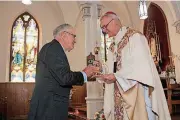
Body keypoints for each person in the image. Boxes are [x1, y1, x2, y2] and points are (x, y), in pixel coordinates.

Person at [96, 11, 171, 120]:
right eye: (102, 28)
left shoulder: (135, 37)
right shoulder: (113, 46)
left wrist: (117, 76)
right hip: (118, 92)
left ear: (114, 22)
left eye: (104, 26)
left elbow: (140, 66)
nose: (104, 30)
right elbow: (111, 69)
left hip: (136, 92)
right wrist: (101, 70)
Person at [28, 24, 99, 120]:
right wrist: (84, 74)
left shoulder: (54, 49)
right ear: (64, 35)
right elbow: (64, 78)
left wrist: (83, 74)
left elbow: (60, 76)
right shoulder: (53, 48)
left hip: (50, 106)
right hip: (49, 108)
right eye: (74, 36)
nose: (75, 40)